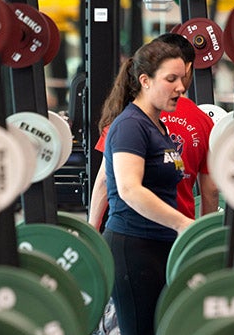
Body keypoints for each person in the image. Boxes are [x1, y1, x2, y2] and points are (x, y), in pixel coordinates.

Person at [95, 39, 194, 335]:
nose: (180, 88)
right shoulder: (130, 126)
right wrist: (183, 224)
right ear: (144, 80)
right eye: (171, 79)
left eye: (184, 80)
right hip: (133, 245)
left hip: (158, 247)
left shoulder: (156, 126)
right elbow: (129, 189)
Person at [88, 32, 219, 230]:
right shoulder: (202, 121)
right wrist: (200, 236)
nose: (179, 87)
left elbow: (104, 181)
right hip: (153, 234)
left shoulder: (136, 118)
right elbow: (211, 191)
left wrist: (91, 230)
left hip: (167, 234)